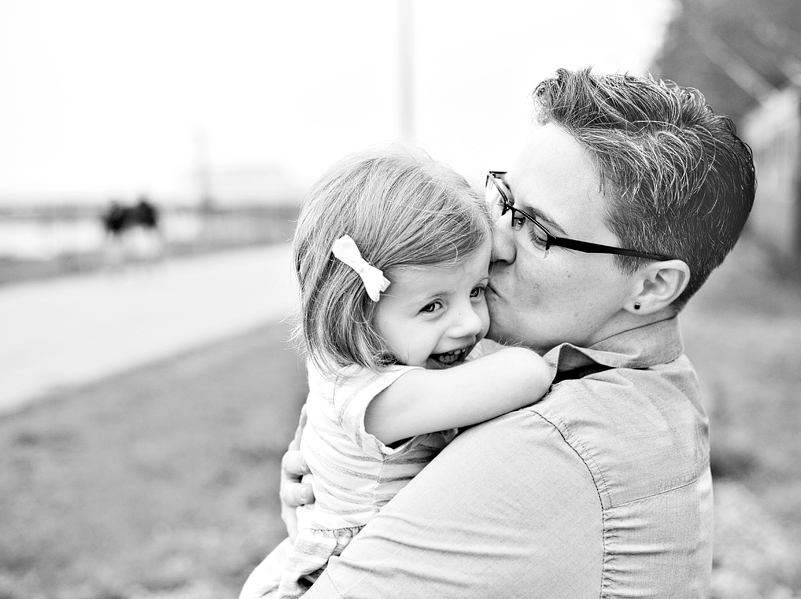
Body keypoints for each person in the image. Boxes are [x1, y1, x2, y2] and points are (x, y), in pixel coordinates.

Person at [277, 68, 756, 598]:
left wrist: (294, 540)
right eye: (504, 200)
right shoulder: (647, 394)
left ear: (653, 285)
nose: (497, 243)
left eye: (540, 231)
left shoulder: (553, 442)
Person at [240, 147, 553, 599]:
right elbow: (527, 374)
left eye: (477, 290)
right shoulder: (376, 397)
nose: (469, 323)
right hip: (345, 576)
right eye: (433, 306)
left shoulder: (376, 361)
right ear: (356, 313)